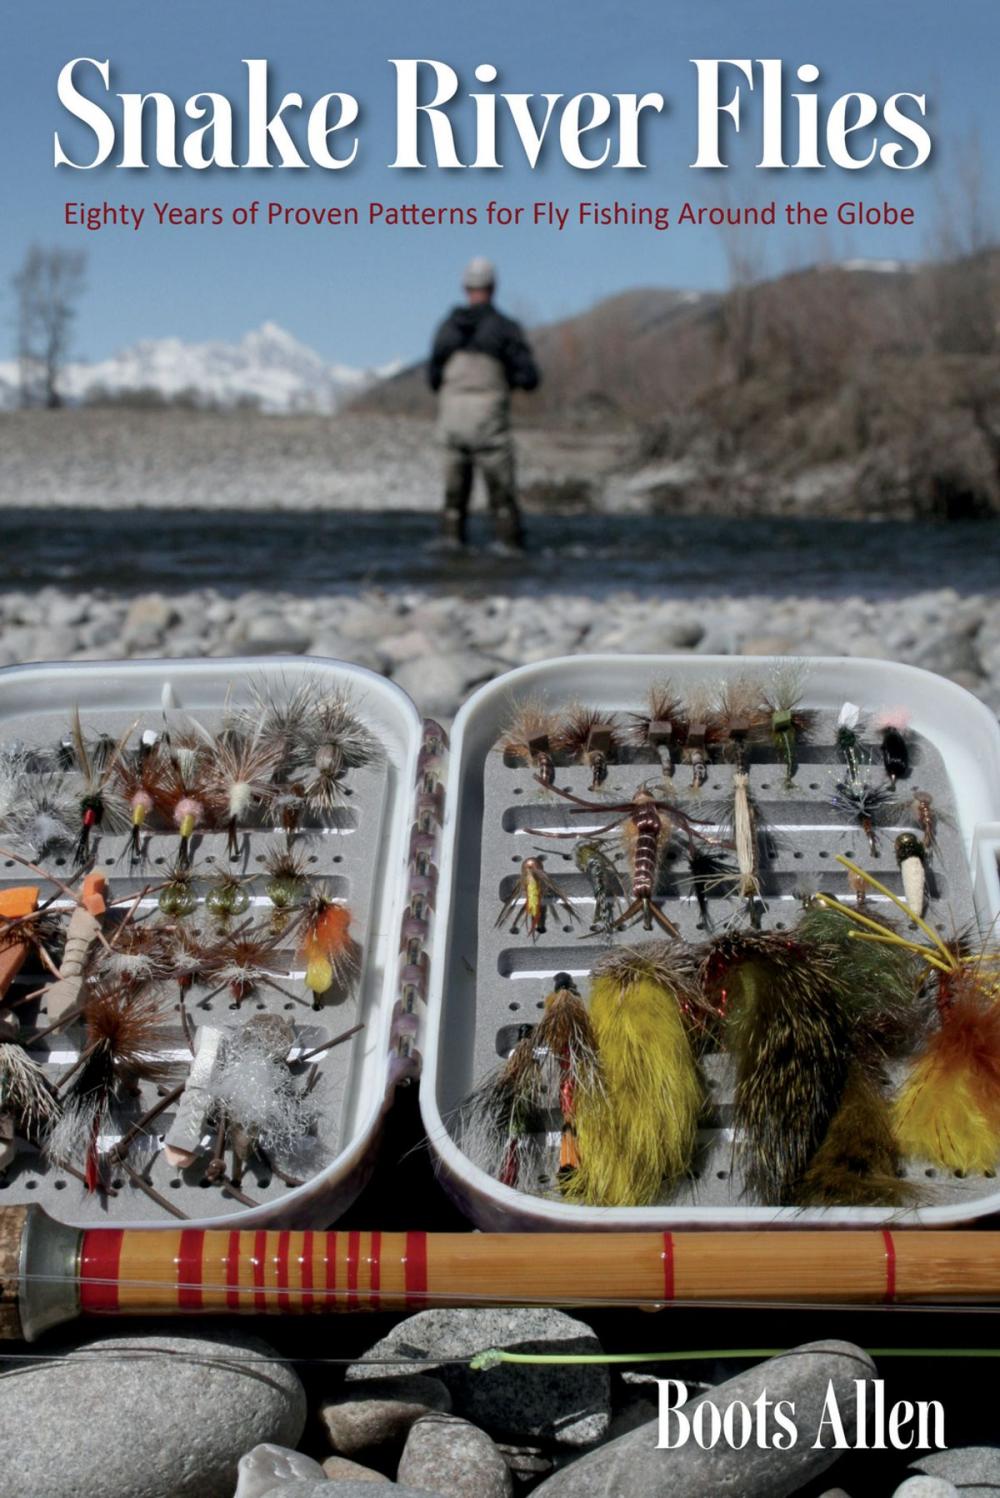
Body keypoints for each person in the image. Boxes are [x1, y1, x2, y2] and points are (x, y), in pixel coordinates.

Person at [428, 257, 540, 550]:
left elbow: (433, 377)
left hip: (451, 421)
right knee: (502, 499)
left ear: (465, 287)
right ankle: (509, 550)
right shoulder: (504, 328)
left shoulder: (447, 328)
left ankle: (451, 548)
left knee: (454, 499)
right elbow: (529, 377)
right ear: (494, 287)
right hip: (489, 423)